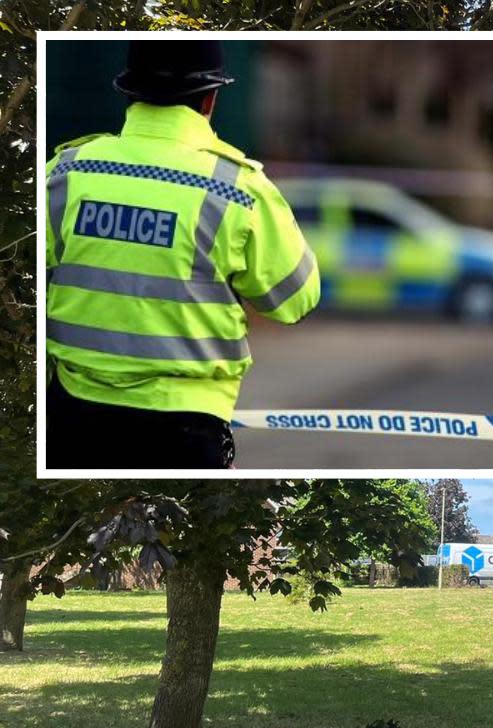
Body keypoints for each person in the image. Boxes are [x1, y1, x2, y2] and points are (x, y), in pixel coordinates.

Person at [45, 41, 319, 468]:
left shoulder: (65, 172)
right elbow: (294, 299)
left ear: (130, 93)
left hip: (72, 419)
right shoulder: (238, 189)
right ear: (210, 98)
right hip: (185, 429)